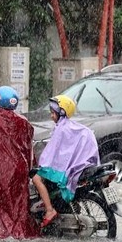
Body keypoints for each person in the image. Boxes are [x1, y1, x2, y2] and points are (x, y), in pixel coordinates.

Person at [0, 86, 41, 239]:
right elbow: (27, 143)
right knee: (17, 202)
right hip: (20, 168)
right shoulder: (22, 121)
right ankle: (17, 228)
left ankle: (3, 227)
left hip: (2, 168)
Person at [32, 94, 100, 228]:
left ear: (61, 113)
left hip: (66, 168)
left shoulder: (61, 129)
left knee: (36, 178)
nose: (51, 116)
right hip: (83, 164)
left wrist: (42, 164)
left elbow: (54, 154)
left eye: (53, 113)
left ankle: (50, 210)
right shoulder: (76, 127)